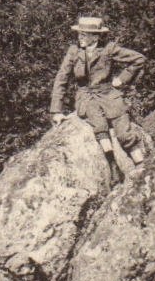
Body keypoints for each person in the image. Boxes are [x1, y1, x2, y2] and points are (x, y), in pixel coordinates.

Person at [50, 15, 148, 172]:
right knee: (100, 126)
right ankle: (113, 166)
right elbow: (61, 79)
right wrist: (56, 111)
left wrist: (122, 79)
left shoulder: (109, 49)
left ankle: (142, 166)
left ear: (95, 36)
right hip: (86, 96)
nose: (80, 38)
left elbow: (138, 59)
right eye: (79, 34)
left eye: (84, 35)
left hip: (108, 94)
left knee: (124, 132)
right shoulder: (74, 51)